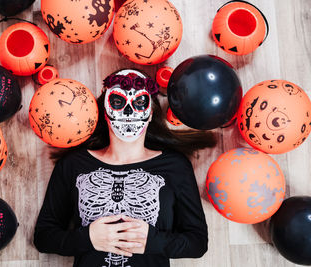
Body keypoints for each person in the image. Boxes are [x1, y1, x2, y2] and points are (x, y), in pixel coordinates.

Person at [34, 69, 216, 267]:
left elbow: (197, 243)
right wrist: (87, 238)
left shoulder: (174, 166)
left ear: (150, 114)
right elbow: (44, 237)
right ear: (105, 111)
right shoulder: (74, 165)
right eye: (118, 102)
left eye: (139, 103)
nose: (128, 112)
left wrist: (153, 241)